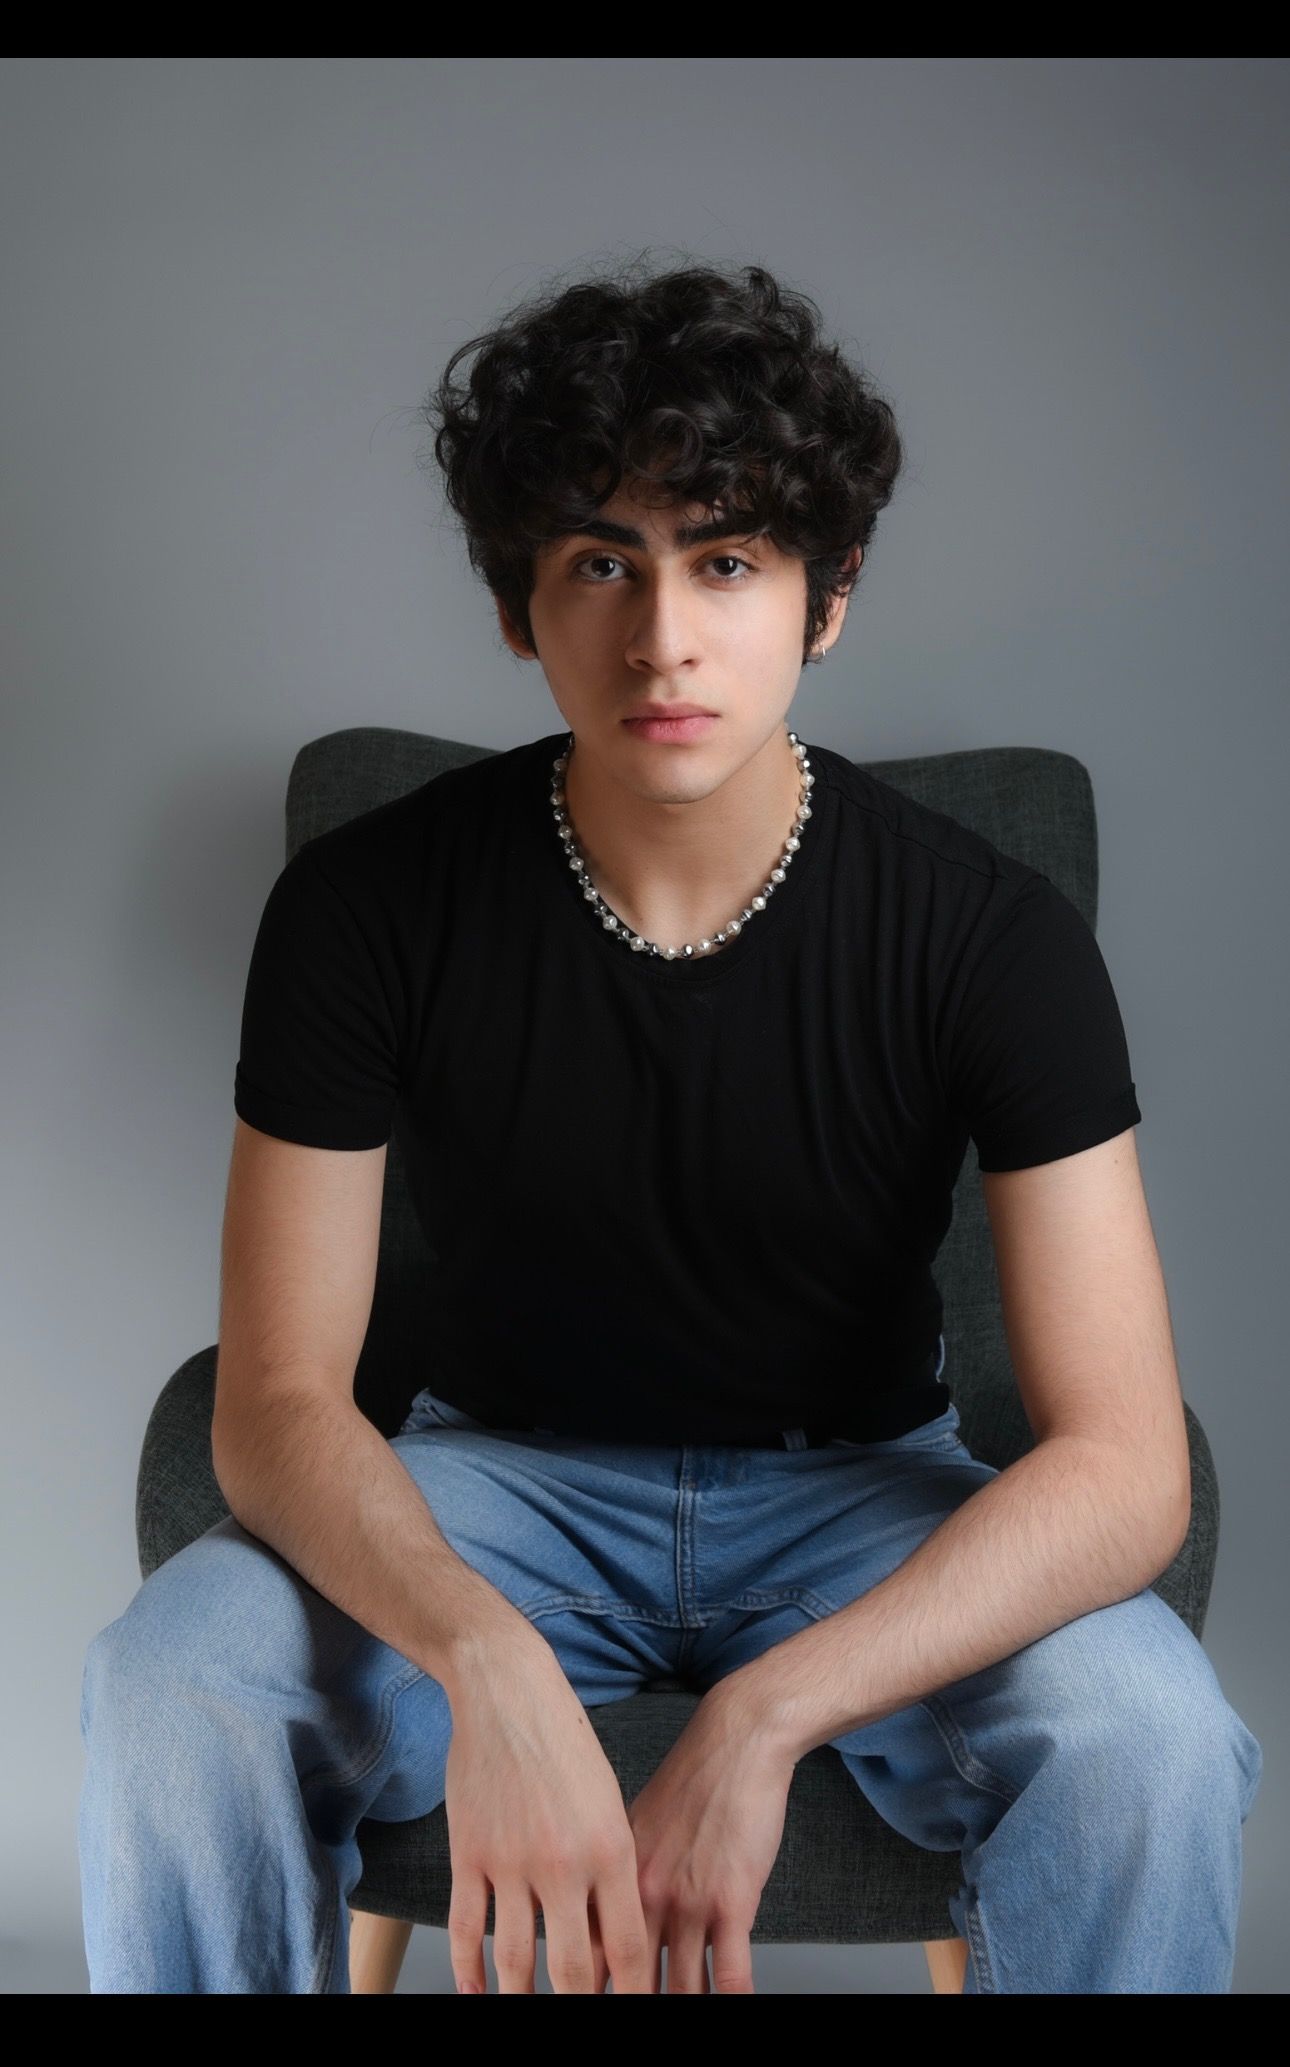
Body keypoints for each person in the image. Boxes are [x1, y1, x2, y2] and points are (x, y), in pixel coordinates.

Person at [78, 254, 1263, 1994]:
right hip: (489, 1486)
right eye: (597, 565)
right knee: (170, 1687)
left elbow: (1125, 1468)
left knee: (1145, 1738)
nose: (661, 640)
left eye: (725, 562)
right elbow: (274, 1404)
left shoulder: (988, 934)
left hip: (863, 1494)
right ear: (517, 606)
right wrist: (487, 1662)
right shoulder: (366, 906)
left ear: (825, 598)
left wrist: (763, 1716)